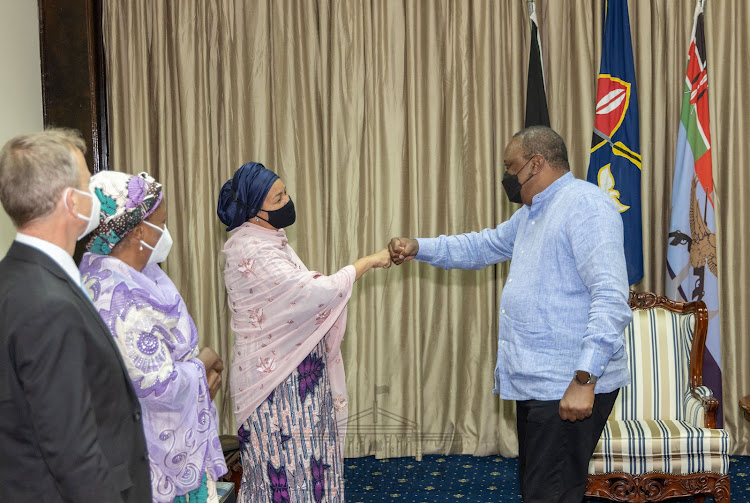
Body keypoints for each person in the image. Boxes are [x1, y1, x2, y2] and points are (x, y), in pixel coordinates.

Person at [388, 126, 632, 503]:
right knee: (542, 487)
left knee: (551, 492)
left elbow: (611, 295)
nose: (507, 176)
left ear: (536, 163)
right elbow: (481, 246)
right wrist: (418, 247)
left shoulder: (585, 205)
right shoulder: (532, 213)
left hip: (568, 381)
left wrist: (585, 379)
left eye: (510, 166)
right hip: (540, 382)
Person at [217, 162, 391, 503]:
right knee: (282, 475)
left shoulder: (269, 239)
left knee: (310, 471)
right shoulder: (252, 249)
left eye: (285, 193)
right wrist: (367, 261)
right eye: (278, 197)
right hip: (275, 386)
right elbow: (314, 293)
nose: (287, 201)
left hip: (299, 379)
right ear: (255, 209)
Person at [0, 129, 151, 502]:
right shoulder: (47, 304)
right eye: (88, 185)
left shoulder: (14, 277)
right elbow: (72, 450)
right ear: (72, 202)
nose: (94, 196)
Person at [78, 170, 227, 503]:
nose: (166, 232)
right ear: (141, 230)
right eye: (163, 222)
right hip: (151, 462)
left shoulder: (135, 273)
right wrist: (203, 364)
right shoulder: (116, 298)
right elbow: (159, 385)